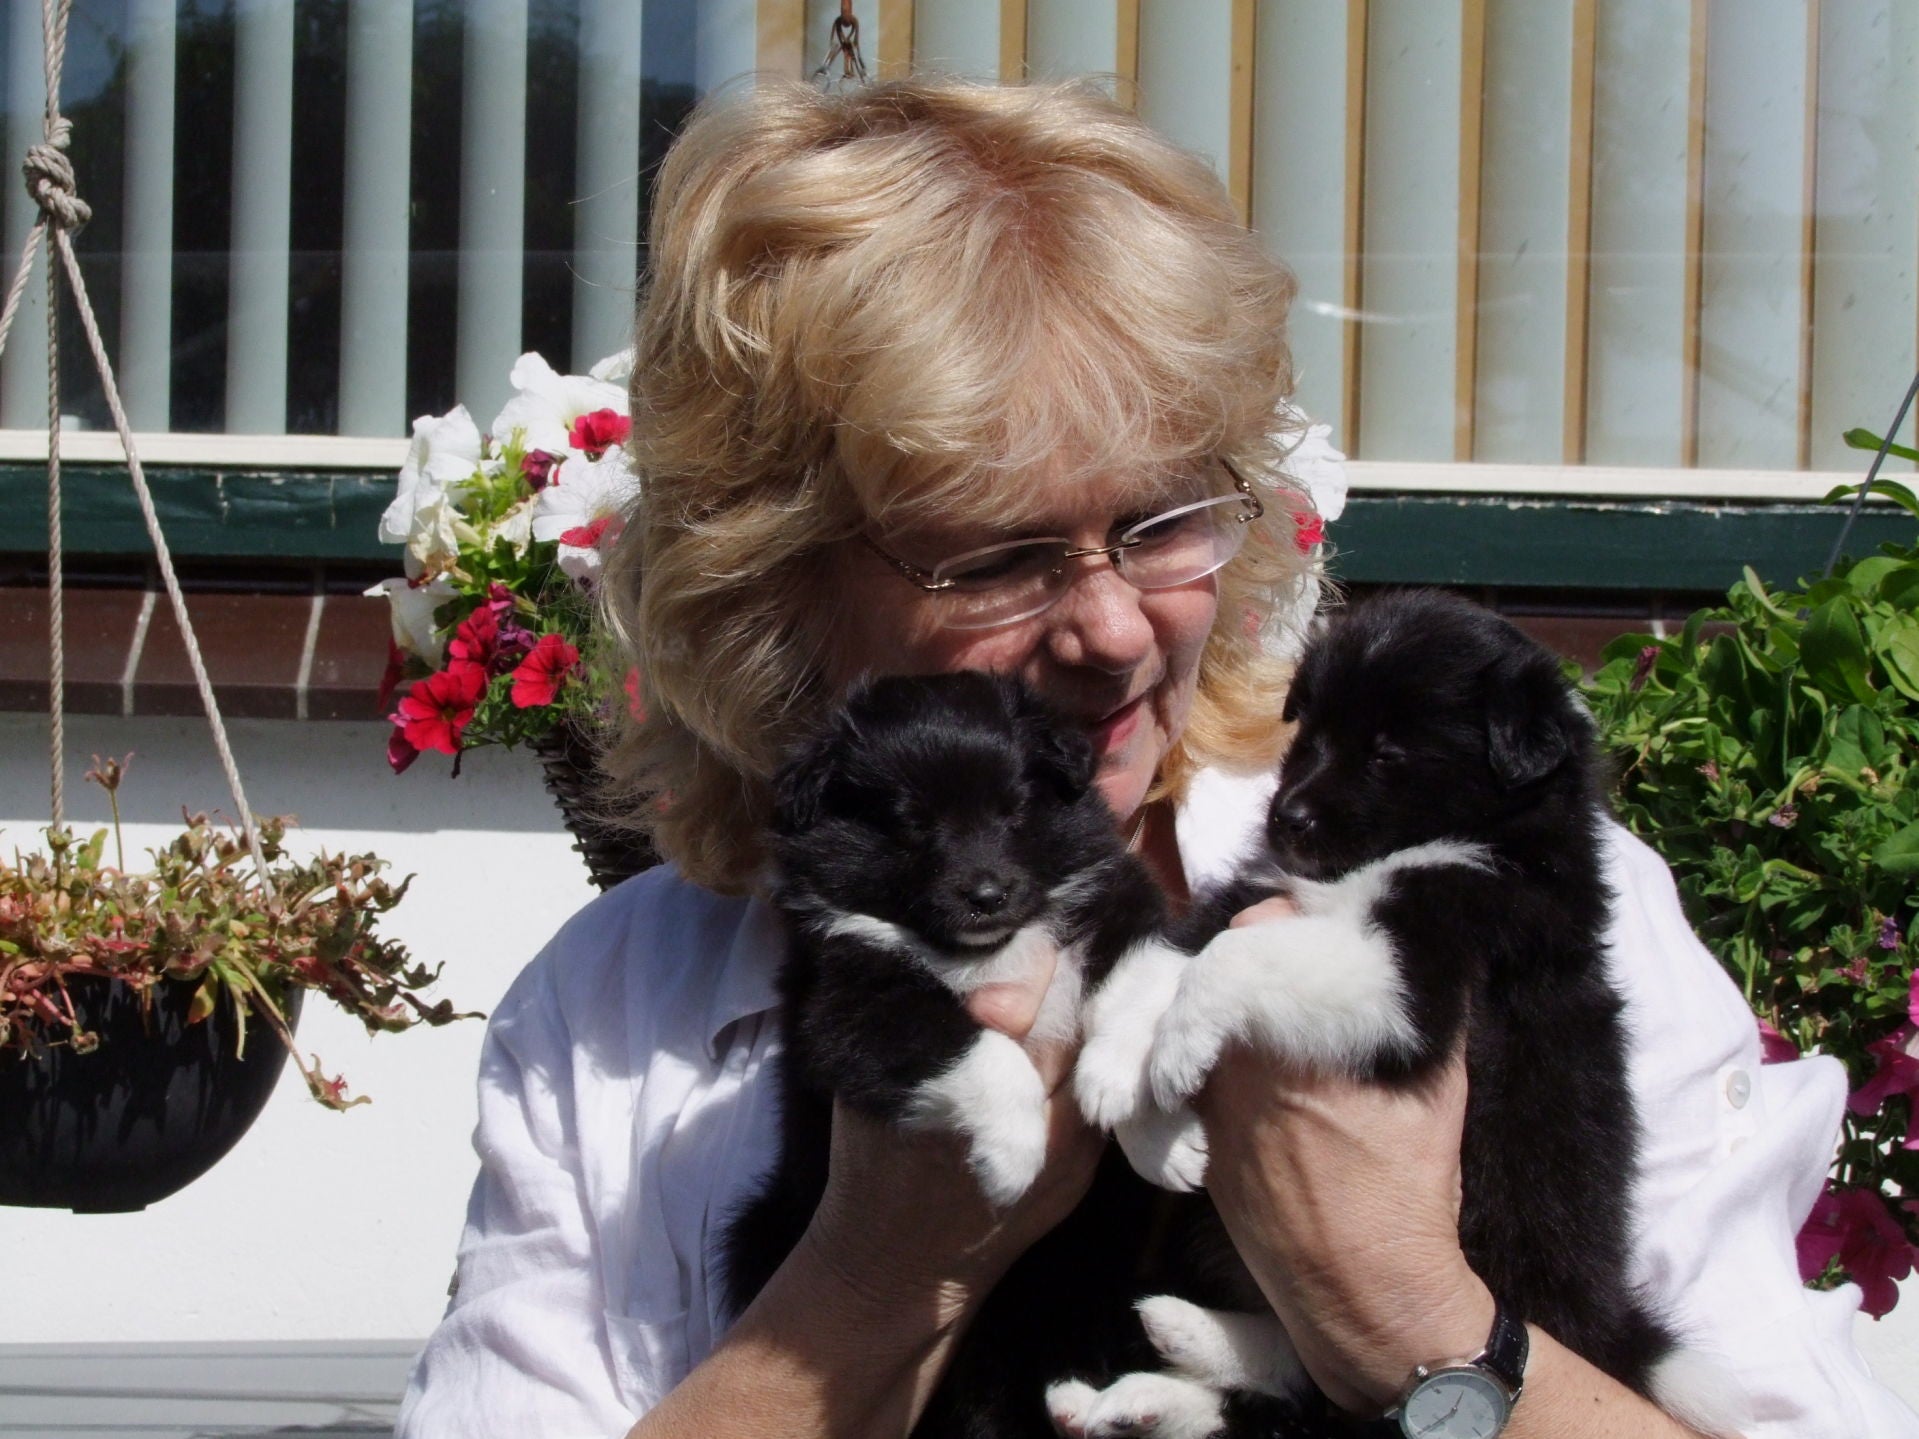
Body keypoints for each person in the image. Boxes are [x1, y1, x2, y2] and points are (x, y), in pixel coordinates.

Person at [395, 78, 1918, 1439]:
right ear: (775, 588)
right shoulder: (617, 1020)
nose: (1115, 631)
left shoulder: (1529, 908)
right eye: (998, 557)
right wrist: (873, 1277)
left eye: (1164, 519)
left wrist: (1401, 1305)